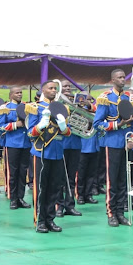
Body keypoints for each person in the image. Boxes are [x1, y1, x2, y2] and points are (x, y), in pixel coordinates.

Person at [93, 69, 133, 227]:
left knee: (123, 181)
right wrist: (116, 125)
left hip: (127, 145)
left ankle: (120, 212)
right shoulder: (105, 98)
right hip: (112, 143)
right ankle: (111, 213)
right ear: (112, 80)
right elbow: (97, 124)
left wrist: (132, 139)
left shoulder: (131, 98)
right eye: (119, 78)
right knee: (112, 181)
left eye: (123, 78)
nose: (122, 80)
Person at [28, 81, 72, 233]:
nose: (53, 91)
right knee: (41, 189)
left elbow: (68, 132)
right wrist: (41, 125)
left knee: (54, 188)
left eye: (55, 88)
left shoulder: (62, 108)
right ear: (43, 90)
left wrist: (64, 128)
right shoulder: (35, 107)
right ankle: (40, 220)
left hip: (57, 152)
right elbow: (29, 133)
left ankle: (50, 219)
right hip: (41, 152)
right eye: (50, 88)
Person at [0, 87, 32, 209]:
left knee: (23, 172)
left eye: (21, 92)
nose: (20, 94)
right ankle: (13, 198)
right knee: (12, 172)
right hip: (12, 143)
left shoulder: (28, 107)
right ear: (11, 94)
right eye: (17, 92)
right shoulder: (5, 108)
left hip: (25, 143)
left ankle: (21, 197)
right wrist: (16, 125)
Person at [56, 81, 82, 218]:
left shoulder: (78, 103)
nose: (67, 88)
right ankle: (58, 206)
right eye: (64, 86)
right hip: (62, 143)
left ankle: (70, 205)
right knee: (60, 177)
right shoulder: (56, 103)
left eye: (68, 86)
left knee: (72, 177)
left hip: (75, 143)